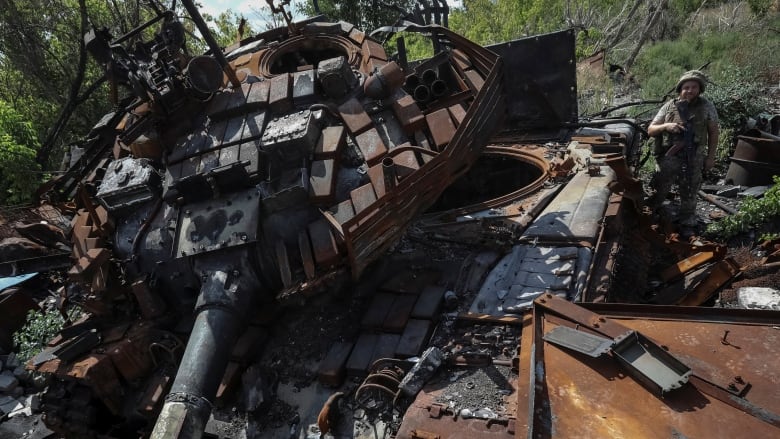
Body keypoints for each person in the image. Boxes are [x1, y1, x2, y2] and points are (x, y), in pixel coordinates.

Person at [646, 70, 720, 234]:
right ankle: (651, 214)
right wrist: (666, 126)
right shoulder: (669, 106)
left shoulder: (706, 106)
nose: (690, 90)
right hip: (669, 157)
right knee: (660, 187)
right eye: (686, 87)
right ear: (680, 89)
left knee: (690, 188)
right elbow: (651, 130)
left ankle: (687, 222)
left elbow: (714, 132)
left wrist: (710, 158)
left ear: (699, 90)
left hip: (694, 156)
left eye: (694, 87)